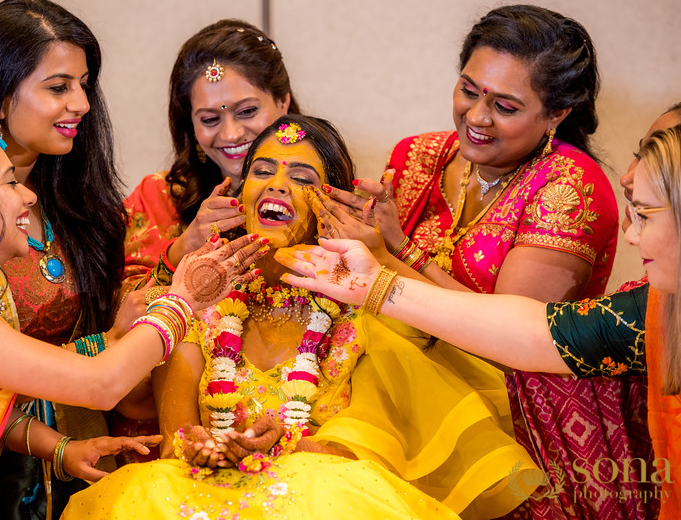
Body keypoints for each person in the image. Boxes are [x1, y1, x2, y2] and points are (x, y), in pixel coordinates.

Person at [61, 115, 540, 520]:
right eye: (262, 171)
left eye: (303, 178)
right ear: (240, 194)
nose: (276, 184)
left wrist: (283, 449)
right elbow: (176, 438)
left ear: (332, 202)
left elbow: (365, 448)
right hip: (198, 492)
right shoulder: (203, 300)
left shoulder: (358, 309)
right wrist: (203, 447)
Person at [278, 123, 681, 520]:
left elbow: (528, 335)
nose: (632, 235)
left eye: (645, 214)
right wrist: (376, 282)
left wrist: (384, 274)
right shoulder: (652, 307)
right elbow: (538, 330)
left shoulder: (571, 190)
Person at [322, 5, 626, 518]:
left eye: (505, 106)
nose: (477, 117)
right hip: (386, 376)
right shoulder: (416, 155)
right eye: (469, 90)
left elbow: (509, 340)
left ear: (557, 114)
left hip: (503, 410)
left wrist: (396, 252)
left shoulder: (569, 186)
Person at [0, 116, 265, 518]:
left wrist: (63, 449)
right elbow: (102, 385)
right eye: (9, 182)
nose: (27, 197)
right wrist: (183, 300)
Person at [0, 0, 147, 516]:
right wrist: (118, 338)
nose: (81, 103)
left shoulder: (78, 201)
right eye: (59, 87)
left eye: (84, 85)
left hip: (82, 452)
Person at [115, 18, 300, 461]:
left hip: (297, 423)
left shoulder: (322, 190)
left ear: (283, 103)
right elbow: (120, 321)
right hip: (169, 427)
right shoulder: (161, 196)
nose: (231, 134)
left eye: (247, 111)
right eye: (210, 119)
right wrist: (183, 249)